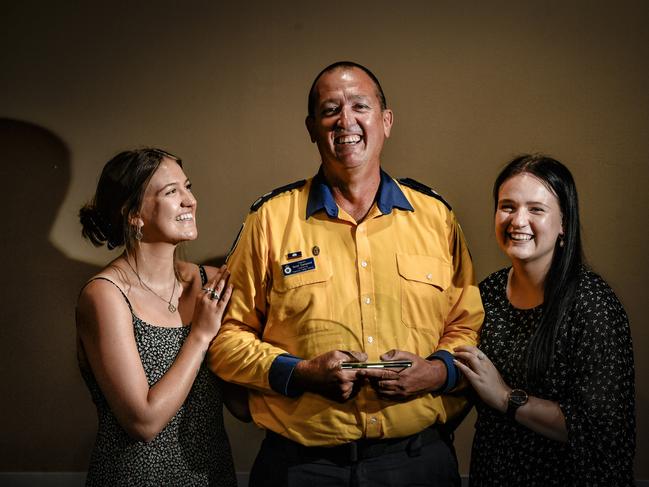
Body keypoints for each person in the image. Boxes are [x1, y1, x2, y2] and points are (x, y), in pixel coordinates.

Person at [208, 61, 484, 486]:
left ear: (386, 121)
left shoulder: (437, 217)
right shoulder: (269, 221)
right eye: (330, 110)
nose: (346, 121)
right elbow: (226, 340)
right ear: (312, 128)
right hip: (301, 468)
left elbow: (467, 325)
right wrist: (299, 373)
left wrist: (437, 371)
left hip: (418, 462)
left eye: (360, 105)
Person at [454, 154, 635, 486]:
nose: (518, 221)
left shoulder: (592, 304)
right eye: (507, 206)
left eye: (536, 209)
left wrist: (505, 397)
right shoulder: (488, 292)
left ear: (564, 222)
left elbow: (599, 430)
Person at [76, 148, 248, 486]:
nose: (190, 201)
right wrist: (200, 335)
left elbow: (241, 406)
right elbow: (144, 422)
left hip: (213, 476)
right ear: (134, 214)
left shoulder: (212, 282)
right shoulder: (105, 296)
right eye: (171, 192)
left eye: (187, 186)